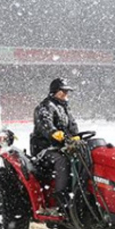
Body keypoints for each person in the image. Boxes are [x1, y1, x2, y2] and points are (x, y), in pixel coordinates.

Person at [31, 77, 80, 215]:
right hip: (45, 150)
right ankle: (60, 197)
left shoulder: (65, 108)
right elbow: (45, 125)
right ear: (54, 92)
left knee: (82, 158)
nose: (65, 94)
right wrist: (55, 134)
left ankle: (79, 194)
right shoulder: (45, 107)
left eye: (67, 92)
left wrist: (76, 136)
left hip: (63, 146)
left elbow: (72, 125)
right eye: (63, 91)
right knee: (62, 161)